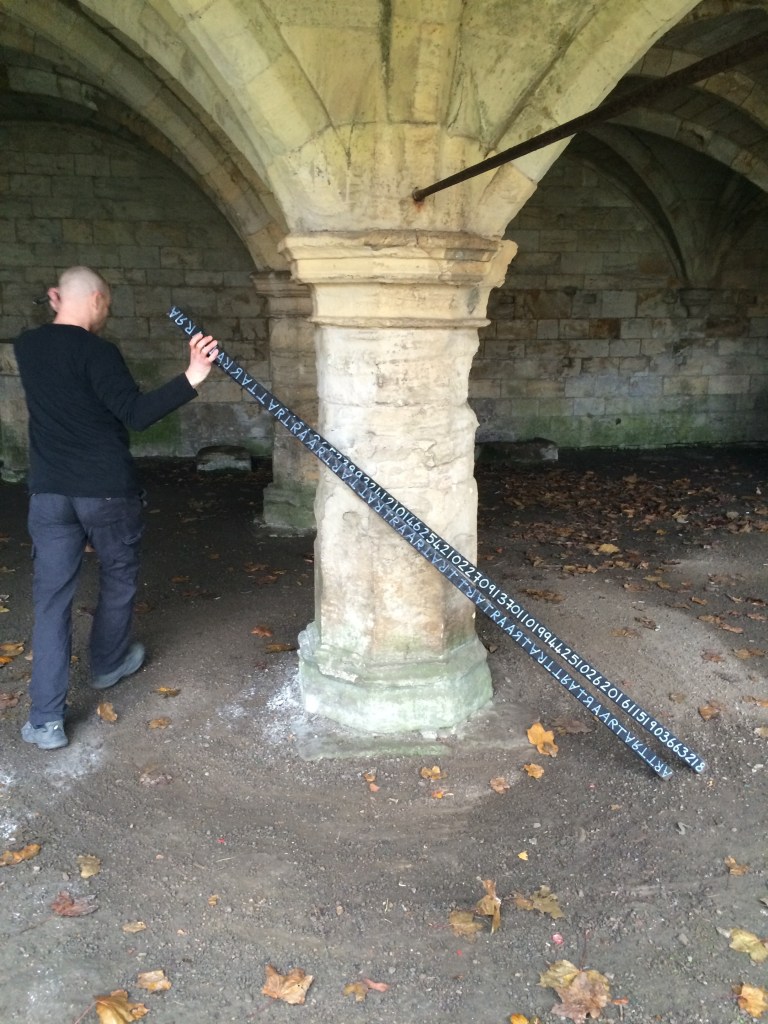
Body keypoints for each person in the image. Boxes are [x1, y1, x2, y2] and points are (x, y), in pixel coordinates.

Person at [13, 266, 219, 750]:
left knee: (51, 601)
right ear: (97, 300)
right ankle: (107, 664)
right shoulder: (99, 352)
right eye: (106, 303)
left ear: (55, 296)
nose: (106, 312)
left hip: (50, 494)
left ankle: (45, 721)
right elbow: (137, 414)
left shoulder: (27, 346)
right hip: (106, 490)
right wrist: (193, 375)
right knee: (118, 574)